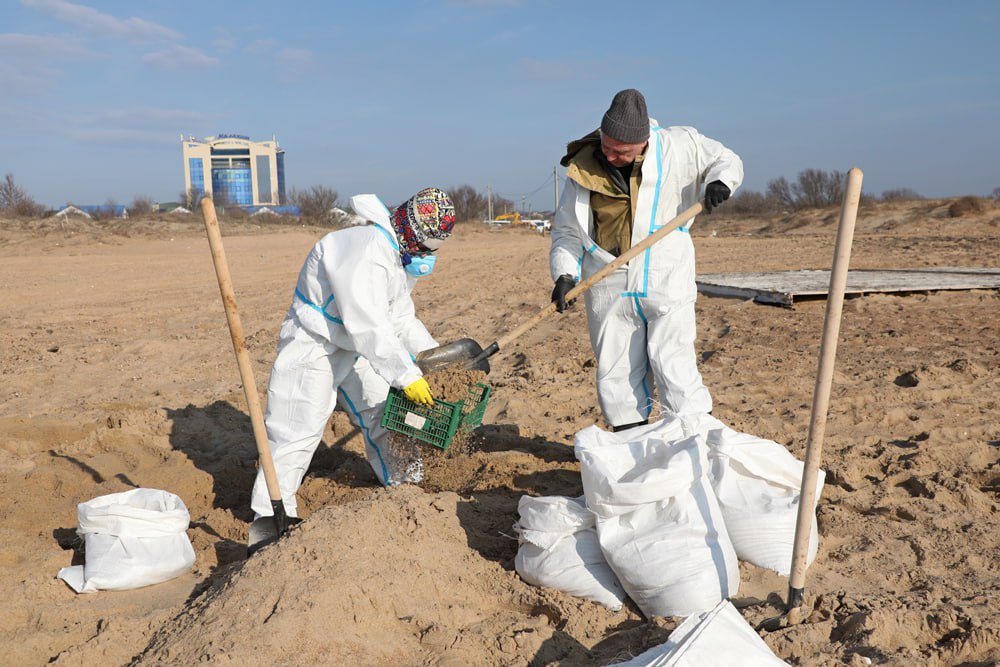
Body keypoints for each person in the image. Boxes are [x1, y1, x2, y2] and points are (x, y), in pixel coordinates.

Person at [248, 187, 456, 545]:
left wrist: (433, 357)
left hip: (356, 348)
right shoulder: (366, 253)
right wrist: (406, 376)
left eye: (433, 250)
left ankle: (408, 487)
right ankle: (270, 515)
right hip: (316, 343)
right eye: (425, 247)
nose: (426, 255)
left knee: (382, 413)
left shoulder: (397, 257)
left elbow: (401, 318)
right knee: (297, 428)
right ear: (410, 231)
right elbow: (368, 326)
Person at [549, 88, 743, 431]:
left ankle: (692, 435)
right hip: (608, 281)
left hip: (666, 275)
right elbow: (566, 231)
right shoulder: (585, 168)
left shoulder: (679, 146)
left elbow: (727, 159)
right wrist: (564, 274)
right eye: (606, 147)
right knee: (616, 369)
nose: (610, 156)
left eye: (620, 152)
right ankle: (630, 439)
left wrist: (720, 182)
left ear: (643, 141)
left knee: (674, 362)